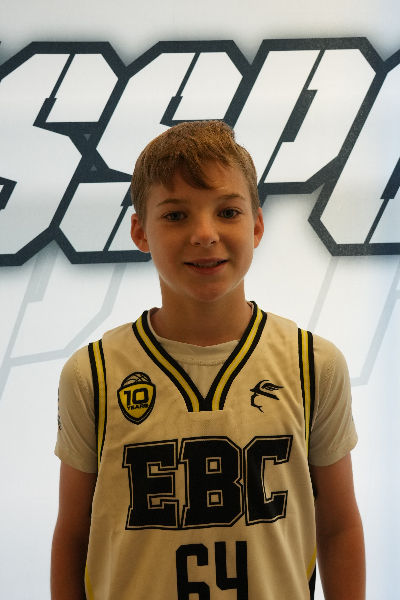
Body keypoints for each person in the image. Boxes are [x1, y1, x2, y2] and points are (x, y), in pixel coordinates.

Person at [51, 121, 365, 600]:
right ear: (139, 231)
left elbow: (339, 526)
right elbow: (74, 536)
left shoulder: (313, 365)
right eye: (176, 215)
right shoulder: (92, 374)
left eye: (227, 211)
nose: (204, 234)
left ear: (256, 225)